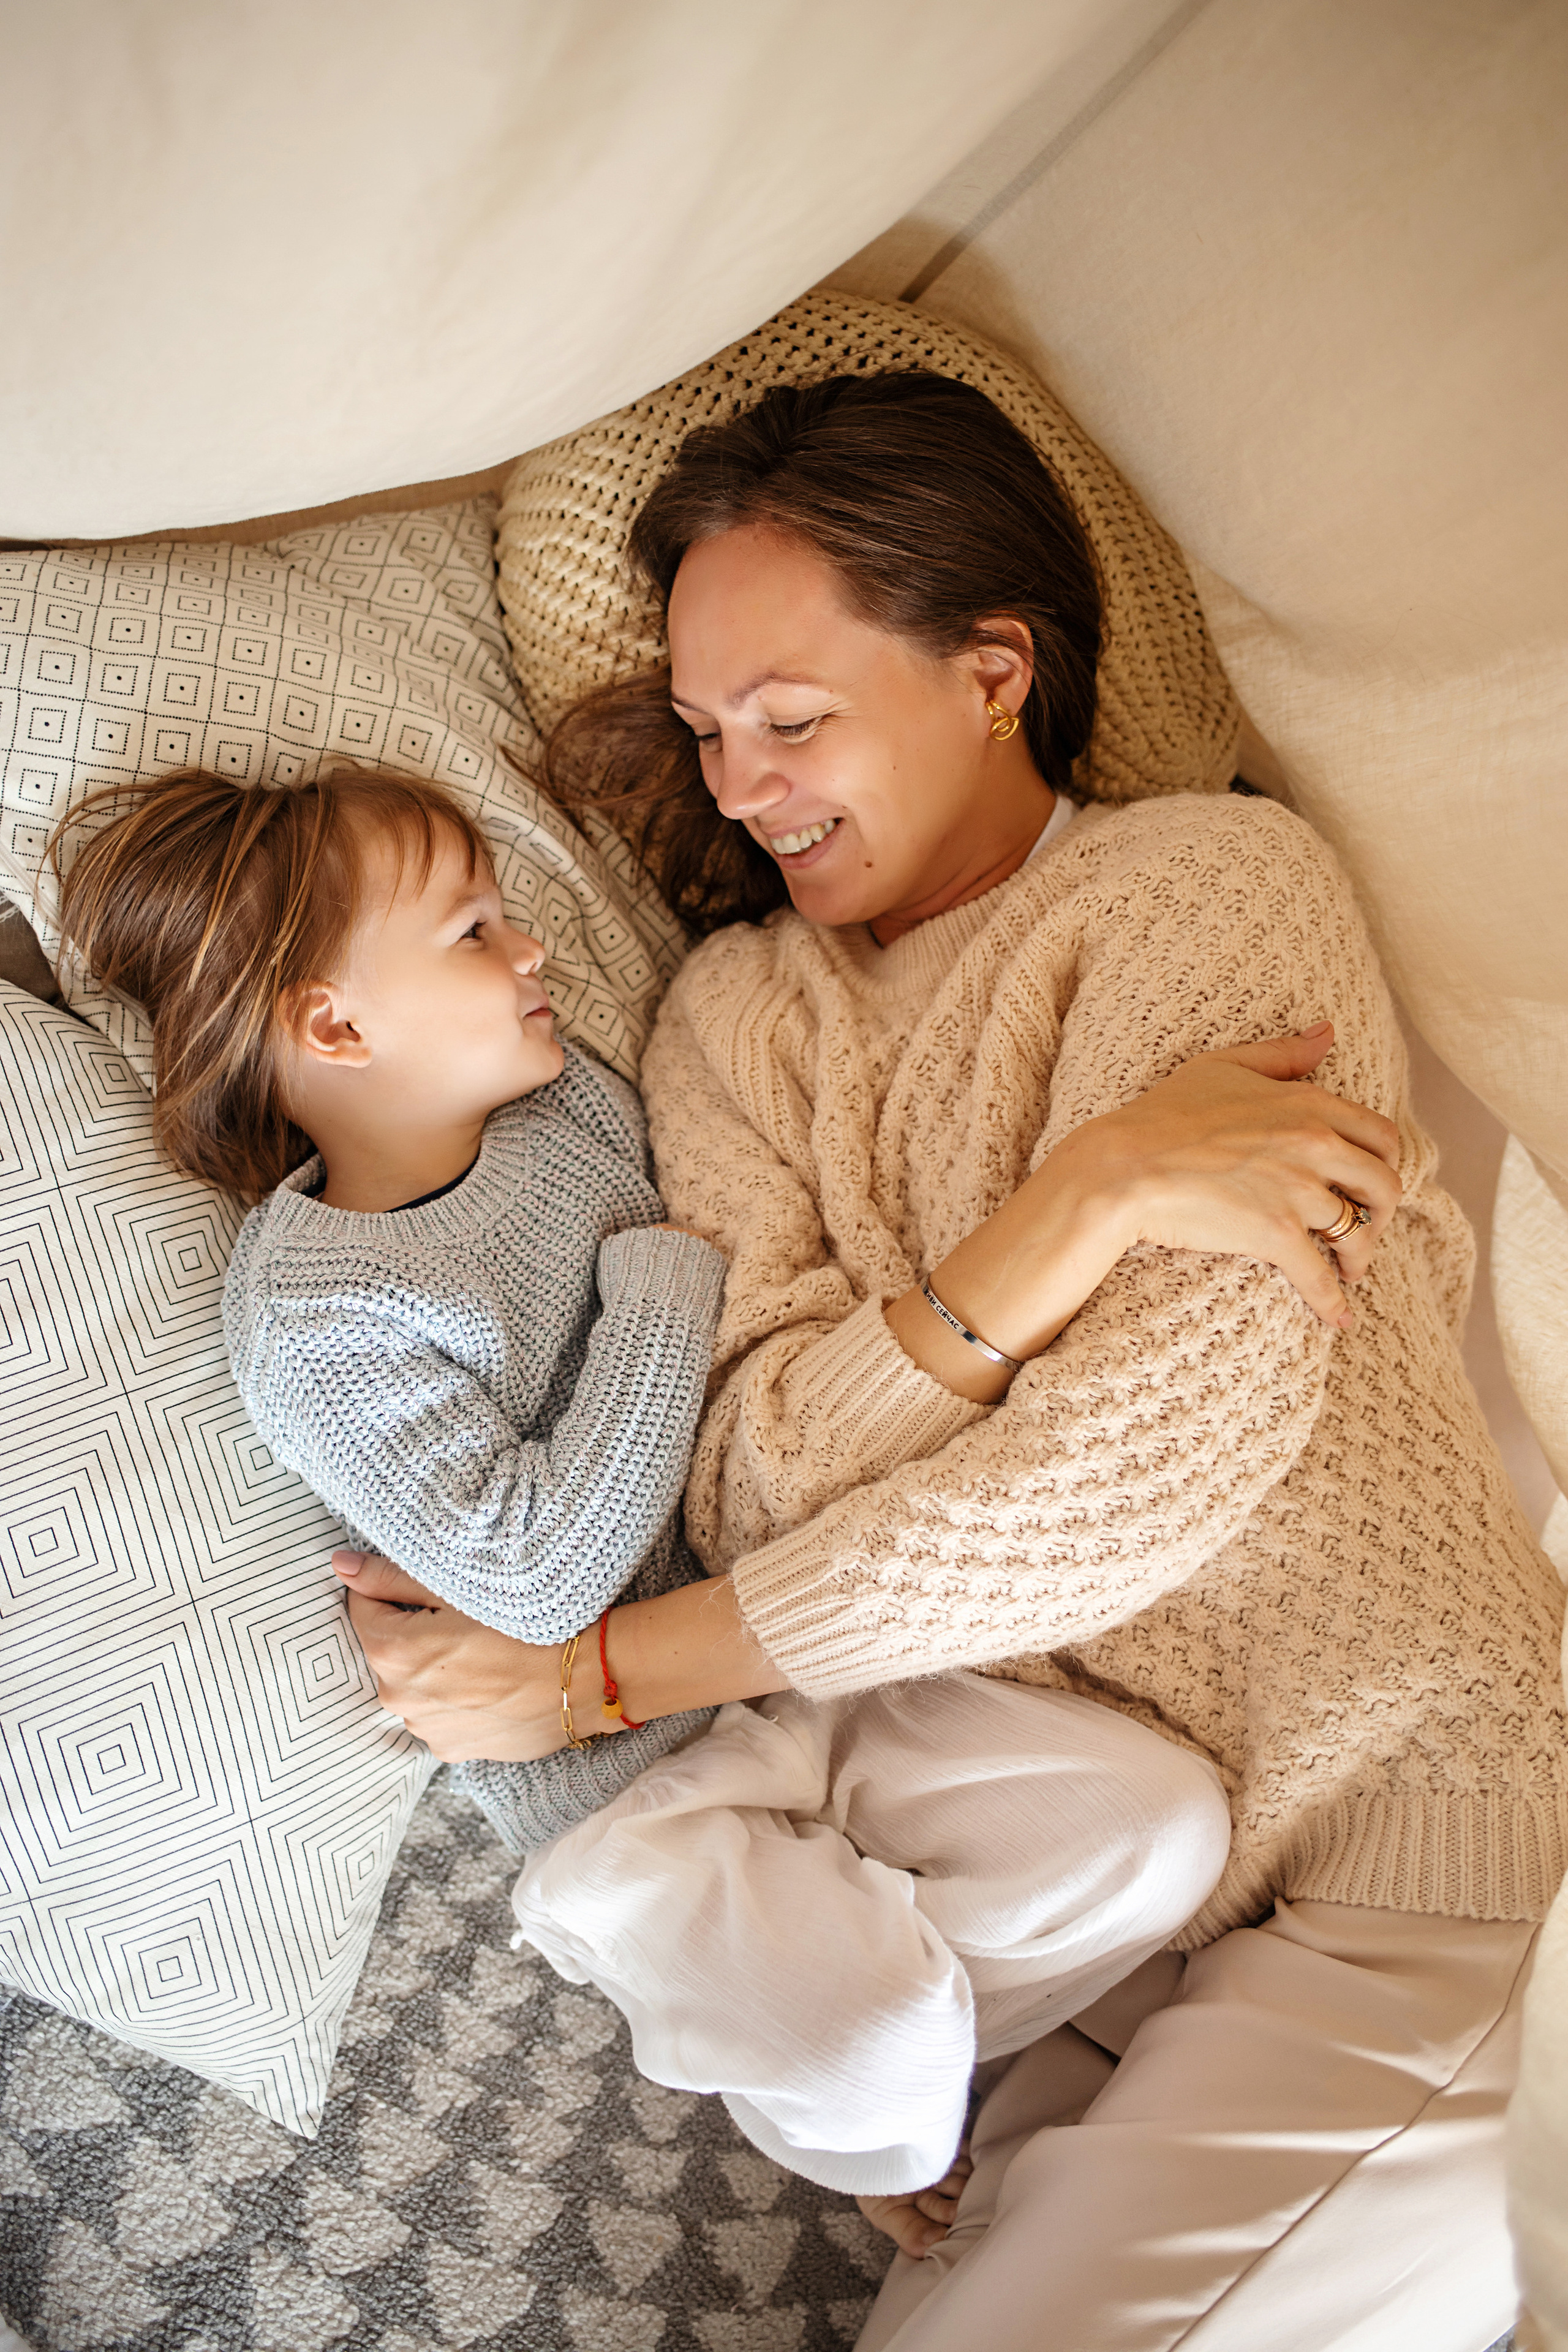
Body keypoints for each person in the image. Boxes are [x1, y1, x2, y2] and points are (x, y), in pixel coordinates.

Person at [333, 371, 1566, 2351]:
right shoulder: (737, 1022)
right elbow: (747, 1467)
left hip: (1407, 1868)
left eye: (794, 719)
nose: (740, 790)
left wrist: (592, 1682)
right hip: (1099, 1940)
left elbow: (1135, 1477)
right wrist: (1081, 1202)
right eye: (706, 734)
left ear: (994, 671)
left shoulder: (1212, 891)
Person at [48, 761, 1230, 2197]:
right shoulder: (320, 1313)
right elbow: (541, 1575)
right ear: (336, 1026)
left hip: (782, 1656)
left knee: (1158, 1831)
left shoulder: (568, 1114)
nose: (532, 946)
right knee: (871, 2046)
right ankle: (885, 2147)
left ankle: (906, 2008)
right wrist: (662, 1289)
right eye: (473, 933)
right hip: (620, 1795)